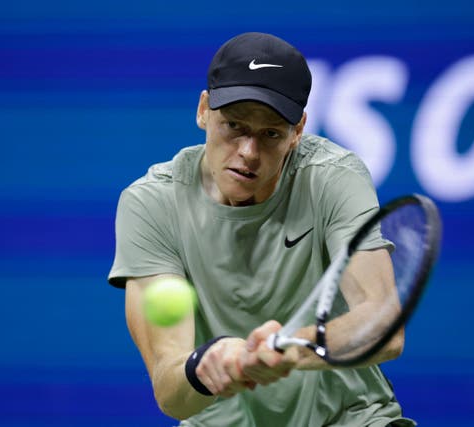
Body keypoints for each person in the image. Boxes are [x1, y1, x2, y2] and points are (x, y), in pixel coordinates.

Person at [108, 32, 415, 427]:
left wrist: (291, 349)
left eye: (270, 133)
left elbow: (385, 328)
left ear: (298, 130)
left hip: (350, 418)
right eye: (233, 125)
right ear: (204, 110)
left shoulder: (332, 177)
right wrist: (203, 368)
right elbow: (172, 396)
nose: (248, 152)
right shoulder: (152, 203)